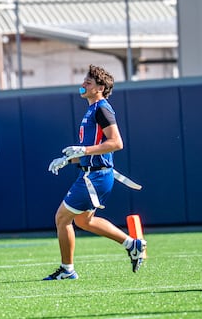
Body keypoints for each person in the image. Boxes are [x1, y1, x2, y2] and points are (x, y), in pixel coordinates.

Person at [44, 64, 147, 280]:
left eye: (88, 83)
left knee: (62, 218)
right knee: (83, 221)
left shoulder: (102, 108)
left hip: (97, 176)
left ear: (100, 88)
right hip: (93, 173)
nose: (83, 85)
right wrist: (67, 160)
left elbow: (116, 142)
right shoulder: (92, 109)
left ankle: (67, 270)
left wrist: (84, 149)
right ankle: (132, 244)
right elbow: (91, 148)